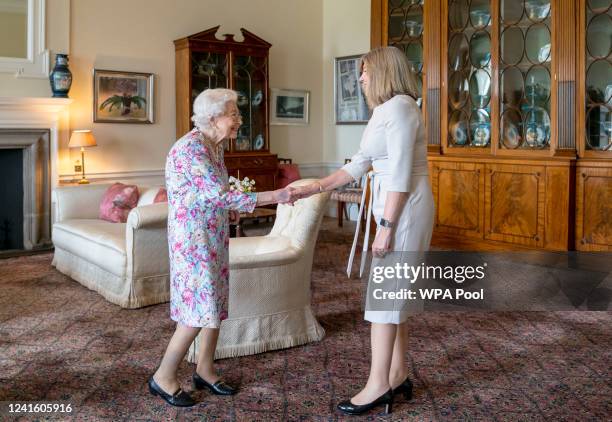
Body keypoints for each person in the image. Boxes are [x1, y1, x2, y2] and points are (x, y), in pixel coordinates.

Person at [293, 46, 434, 415]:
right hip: (395, 207)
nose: (360, 78)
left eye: (366, 71)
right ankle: (398, 373)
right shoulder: (384, 112)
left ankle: (378, 385)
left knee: (385, 297)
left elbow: (401, 174)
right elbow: (359, 164)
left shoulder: (402, 108)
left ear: (385, 71)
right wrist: (314, 187)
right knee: (394, 294)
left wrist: (385, 228)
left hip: (404, 210)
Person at [148, 88, 293, 407]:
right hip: (193, 240)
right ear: (212, 118)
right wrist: (274, 196)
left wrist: (228, 211)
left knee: (214, 302)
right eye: (234, 115)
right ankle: (164, 376)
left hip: (212, 234)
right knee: (196, 312)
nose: (239, 121)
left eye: (238, 114)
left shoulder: (214, 146)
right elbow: (219, 195)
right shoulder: (191, 150)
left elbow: (213, 194)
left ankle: (205, 368)